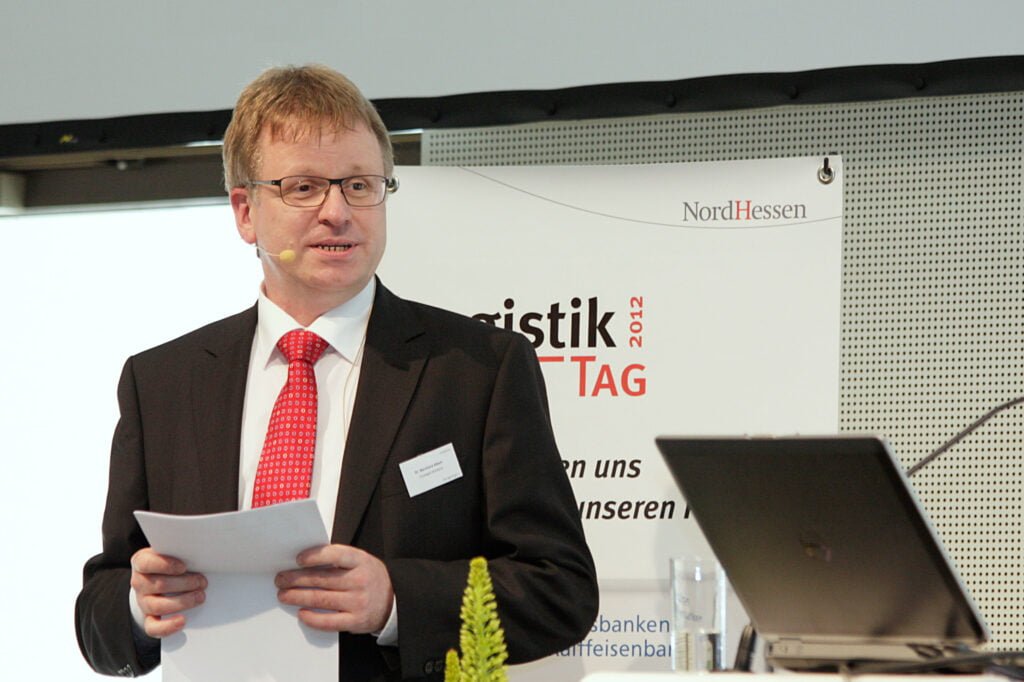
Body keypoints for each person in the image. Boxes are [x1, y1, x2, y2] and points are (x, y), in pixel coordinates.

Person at [75, 64, 598, 681]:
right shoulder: (162, 381)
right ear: (245, 211)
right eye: (302, 187)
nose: (337, 212)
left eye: (359, 185)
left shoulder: (476, 369)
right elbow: (100, 618)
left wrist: (396, 599)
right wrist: (140, 606)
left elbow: (559, 589)